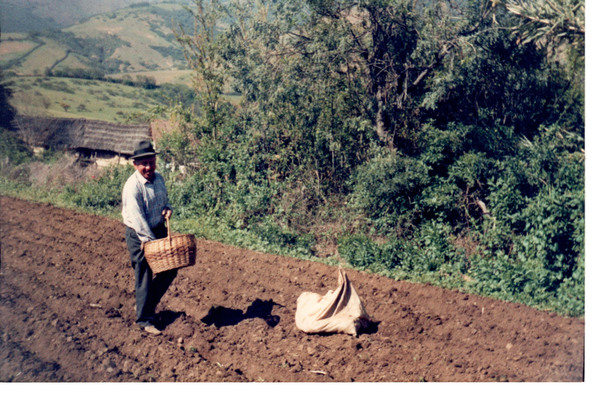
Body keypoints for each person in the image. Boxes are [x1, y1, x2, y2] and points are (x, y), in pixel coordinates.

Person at [122, 140, 177, 335]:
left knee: (170, 269)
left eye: (151, 162)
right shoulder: (133, 187)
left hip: (157, 228)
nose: (148, 167)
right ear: (135, 165)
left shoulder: (159, 179)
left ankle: (146, 306)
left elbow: (165, 202)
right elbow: (138, 220)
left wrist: (167, 210)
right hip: (139, 235)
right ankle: (144, 320)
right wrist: (151, 243)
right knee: (144, 274)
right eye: (143, 163)